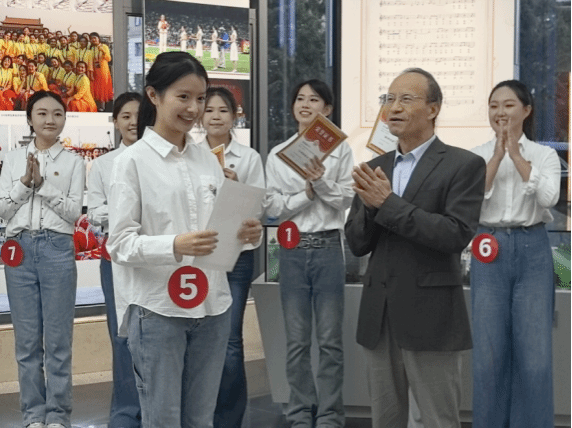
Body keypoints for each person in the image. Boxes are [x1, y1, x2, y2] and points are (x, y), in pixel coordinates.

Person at [106, 51, 262, 427]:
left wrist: (244, 234)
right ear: (154, 96)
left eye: (200, 98)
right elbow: (119, 244)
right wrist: (174, 245)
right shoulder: (131, 161)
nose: (194, 108)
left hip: (212, 305)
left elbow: (216, 233)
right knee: (162, 419)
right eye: (183, 97)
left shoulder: (207, 159)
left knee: (201, 419)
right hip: (158, 309)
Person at [344, 68, 486, 428]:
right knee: (386, 420)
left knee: (439, 419)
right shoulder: (374, 168)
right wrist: (371, 209)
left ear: (433, 109)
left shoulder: (464, 164)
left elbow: (455, 234)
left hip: (432, 316)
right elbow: (357, 244)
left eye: (406, 99)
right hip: (379, 315)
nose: (394, 107)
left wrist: (388, 204)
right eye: (389, 99)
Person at [470, 80, 560, 428]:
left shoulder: (544, 155)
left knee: (534, 356)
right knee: (488, 354)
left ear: (526, 110)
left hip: (532, 246)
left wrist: (517, 157)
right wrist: (496, 157)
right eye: (494, 106)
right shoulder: (476, 155)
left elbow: (549, 198)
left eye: (508, 105)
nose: (500, 112)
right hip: (488, 246)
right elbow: (470, 203)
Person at [265, 79, 353, 428]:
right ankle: (300, 412)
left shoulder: (340, 150)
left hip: (329, 247)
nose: (305, 104)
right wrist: (307, 194)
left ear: (326, 109)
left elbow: (346, 199)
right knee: (297, 341)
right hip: (291, 249)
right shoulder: (278, 153)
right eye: (299, 98)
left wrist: (320, 182)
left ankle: (330, 415)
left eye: (314, 100)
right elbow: (273, 207)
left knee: (330, 341)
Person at [0, 90, 84, 428]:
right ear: (30, 118)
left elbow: (73, 212)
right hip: (18, 249)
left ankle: (58, 415)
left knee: (59, 340)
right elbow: (3, 210)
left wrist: (42, 185)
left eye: (57, 114)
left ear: (64, 119)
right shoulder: (12, 159)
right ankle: (34, 415)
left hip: (57, 249)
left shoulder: (73, 162)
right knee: (26, 341)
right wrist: (24, 183)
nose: (50, 120)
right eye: (42, 113)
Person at [198, 87, 265, 428]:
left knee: (231, 340)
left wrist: (235, 186)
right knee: (201, 337)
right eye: (209, 109)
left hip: (237, 255)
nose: (215, 116)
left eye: (223, 110)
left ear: (235, 116)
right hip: (199, 253)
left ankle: (229, 419)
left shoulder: (248, 157)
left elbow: (259, 206)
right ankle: (200, 415)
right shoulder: (191, 154)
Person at [87, 92, 143, 428]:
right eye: (125, 116)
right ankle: (125, 414)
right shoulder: (103, 165)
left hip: (153, 257)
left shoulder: (156, 161)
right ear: (116, 122)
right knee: (122, 336)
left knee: (155, 336)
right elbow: (95, 213)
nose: (133, 122)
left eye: (138, 115)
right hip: (116, 260)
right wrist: (128, 212)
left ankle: (156, 411)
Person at [89, 32, 113, 110]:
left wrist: (102, 50)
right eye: (91, 38)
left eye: (95, 38)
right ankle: (96, 106)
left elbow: (108, 58)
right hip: (95, 70)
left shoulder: (104, 46)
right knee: (95, 88)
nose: (93, 40)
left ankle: (103, 107)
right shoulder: (91, 48)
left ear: (98, 39)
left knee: (103, 87)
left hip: (103, 70)